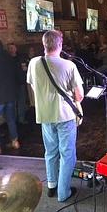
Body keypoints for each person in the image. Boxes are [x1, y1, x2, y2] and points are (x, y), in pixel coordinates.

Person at [27, 30, 84, 202]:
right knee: (67, 154)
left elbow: (31, 85)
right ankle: (63, 192)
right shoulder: (68, 65)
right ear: (60, 44)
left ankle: (51, 185)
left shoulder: (34, 62)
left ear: (44, 44)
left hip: (44, 115)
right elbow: (79, 95)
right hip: (65, 116)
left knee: (50, 152)